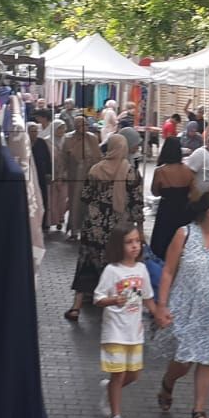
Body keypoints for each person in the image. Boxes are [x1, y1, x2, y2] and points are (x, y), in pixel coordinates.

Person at [155, 192, 209, 418]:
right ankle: (168, 382)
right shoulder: (185, 234)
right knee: (183, 361)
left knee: (207, 359)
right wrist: (162, 305)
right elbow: (168, 271)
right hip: (185, 306)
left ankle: (199, 410)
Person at [94, 225, 160, 418]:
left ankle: (110, 389)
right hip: (114, 331)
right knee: (119, 373)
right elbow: (98, 297)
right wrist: (113, 300)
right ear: (118, 245)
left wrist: (158, 314)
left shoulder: (141, 269)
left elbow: (148, 297)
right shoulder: (112, 271)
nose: (134, 246)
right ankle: (115, 417)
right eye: (129, 242)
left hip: (135, 332)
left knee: (133, 374)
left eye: (137, 241)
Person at [68, 135, 144, 320]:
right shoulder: (130, 172)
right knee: (118, 265)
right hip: (117, 228)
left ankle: (76, 307)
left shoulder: (96, 169)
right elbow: (136, 203)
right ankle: (120, 305)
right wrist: (139, 228)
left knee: (86, 263)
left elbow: (85, 196)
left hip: (94, 225)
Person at [150, 137, 197, 260]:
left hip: (166, 210)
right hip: (184, 210)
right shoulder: (188, 171)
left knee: (163, 243)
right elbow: (193, 192)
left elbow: (154, 192)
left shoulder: (160, 171)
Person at [54, 114, 101, 235]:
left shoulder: (93, 138)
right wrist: (59, 176)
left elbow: (98, 157)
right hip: (74, 175)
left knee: (89, 203)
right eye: (81, 124)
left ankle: (87, 229)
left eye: (85, 124)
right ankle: (74, 230)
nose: (84, 127)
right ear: (75, 126)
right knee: (75, 202)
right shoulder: (68, 138)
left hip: (90, 175)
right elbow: (62, 159)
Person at [28, 120, 53, 225]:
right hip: (29, 175)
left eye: (35, 131)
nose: (34, 133)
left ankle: (43, 223)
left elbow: (47, 158)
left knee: (42, 198)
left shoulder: (41, 142)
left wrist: (49, 172)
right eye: (32, 131)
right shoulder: (24, 143)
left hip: (41, 174)